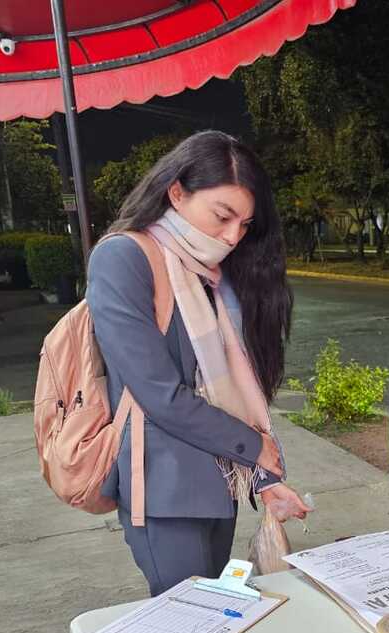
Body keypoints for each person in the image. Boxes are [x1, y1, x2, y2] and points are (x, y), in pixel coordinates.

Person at [87, 130, 309, 596]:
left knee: (212, 627)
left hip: (222, 487)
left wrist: (265, 479)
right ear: (177, 192)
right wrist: (253, 448)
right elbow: (160, 394)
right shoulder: (124, 258)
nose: (231, 237)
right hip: (165, 491)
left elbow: (236, 388)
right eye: (222, 216)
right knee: (185, 629)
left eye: (244, 225)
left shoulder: (211, 275)